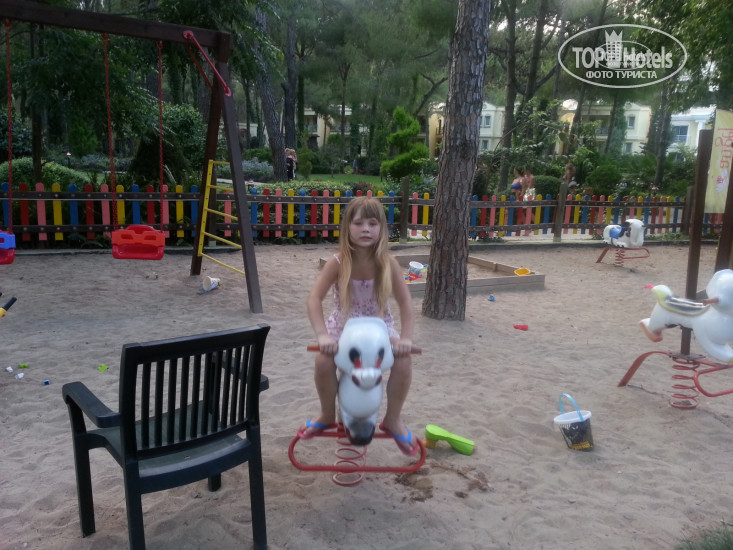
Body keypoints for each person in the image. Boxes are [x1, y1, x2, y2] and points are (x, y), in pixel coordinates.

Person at [300, 196, 418, 455]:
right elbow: (314, 299)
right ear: (347, 227)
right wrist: (322, 335)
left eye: (372, 224)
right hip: (342, 326)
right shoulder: (338, 262)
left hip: (380, 327)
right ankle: (327, 413)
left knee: (404, 360)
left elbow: (406, 303)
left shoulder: (388, 263)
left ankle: (393, 418)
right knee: (323, 360)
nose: (366, 229)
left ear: (382, 228)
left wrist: (406, 338)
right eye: (359, 223)